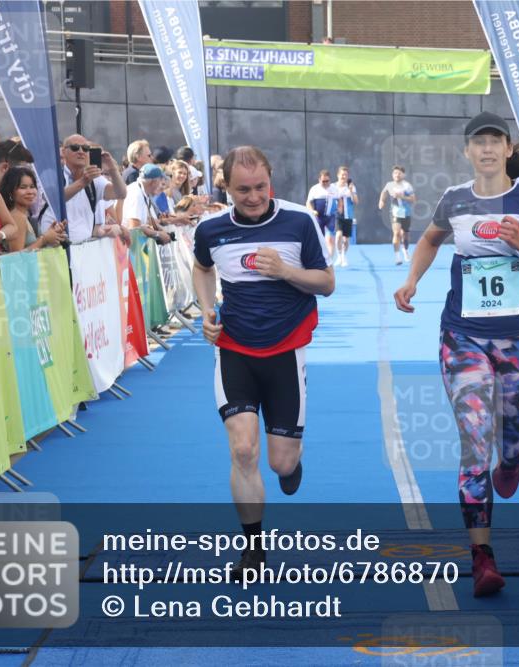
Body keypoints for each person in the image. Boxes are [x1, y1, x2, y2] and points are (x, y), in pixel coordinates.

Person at [393, 112, 519, 597]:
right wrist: (412, 280)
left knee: (511, 441)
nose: (487, 149)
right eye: (479, 142)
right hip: (462, 337)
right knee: (475, 444)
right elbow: (430, 239)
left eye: (495, 141)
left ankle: (511, 462)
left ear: (508, 149)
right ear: (467, 151)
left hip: (518, 342)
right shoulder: (454, 199)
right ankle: (482, 557)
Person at [192, 146, 334, 580]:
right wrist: (206, 310)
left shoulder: (299, 221)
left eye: (260, 187)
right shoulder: (211, 228)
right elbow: (202, 268)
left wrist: (286, 271)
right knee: (242, 449)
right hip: (234, 348)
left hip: (286, 350)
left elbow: (326, 283)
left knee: (280, 464)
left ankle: (293, 459)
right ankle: (253, 550)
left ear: (271, 179)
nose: (253, 197)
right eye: (242, 190)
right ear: (226, 187)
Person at [58, 134, 128, 243]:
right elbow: (56, 200)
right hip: (58, 247)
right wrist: (83, 181)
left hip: (85, 247)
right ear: (63, 152)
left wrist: (113, 169)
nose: (81, 151)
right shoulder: (54, 175)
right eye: (75, 147)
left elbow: (120, 194)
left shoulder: (95, 179)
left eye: (85, 148)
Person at [0, 165, 67, 251]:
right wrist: (44, 239)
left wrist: (52, 235)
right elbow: (16, 255)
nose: (30, 192)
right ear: (11, 192)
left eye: (32, 186)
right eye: (23, 187)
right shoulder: (17, 217)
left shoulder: (26, 215)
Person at [121, 163, 172, 244]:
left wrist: (159, 228)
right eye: (160, 181)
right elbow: (134, 227)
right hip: (127, 245)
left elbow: (144, 219)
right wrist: (158, 234)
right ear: (154, 182)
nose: (160, 185)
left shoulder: (142, 191)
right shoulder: (136, 194)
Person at [379, 165, 415, 265]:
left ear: (403, 175)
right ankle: (397, 256)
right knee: (397, 233)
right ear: (392, 175)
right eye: (395, 173)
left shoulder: (407, 186)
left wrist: (402, 196)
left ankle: (405, 250)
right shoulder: (389, 185)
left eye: (399, 173)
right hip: (395, 212)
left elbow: (413, 199)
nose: (397, 175)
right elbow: (384, 193)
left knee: (405, 235)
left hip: (406, 212)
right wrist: (381, 201)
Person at [305, 170, 338, 261]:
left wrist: (339, 208)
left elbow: (339, 200)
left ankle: (330, 260)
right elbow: (308, 203)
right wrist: (312, 211)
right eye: (323, 181)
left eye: (327, 181)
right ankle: (320, 259)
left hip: (330, 218)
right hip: (319, 218)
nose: (325, 183)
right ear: (319, 180)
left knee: (330, 239)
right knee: (319, 240)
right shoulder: (314, 189)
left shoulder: (334, 188)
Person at [334, 165, 358, 267]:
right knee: (338, 235)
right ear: (338, 175)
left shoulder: (351, 187)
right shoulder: (333, 187)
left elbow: (356, 201)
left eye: (346, 175)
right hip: (337, 215)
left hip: (348, 216)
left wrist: (351, 191)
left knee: (346, 239)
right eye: (342, 174)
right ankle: (339, 255)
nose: (344, 176)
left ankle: (344, 256)